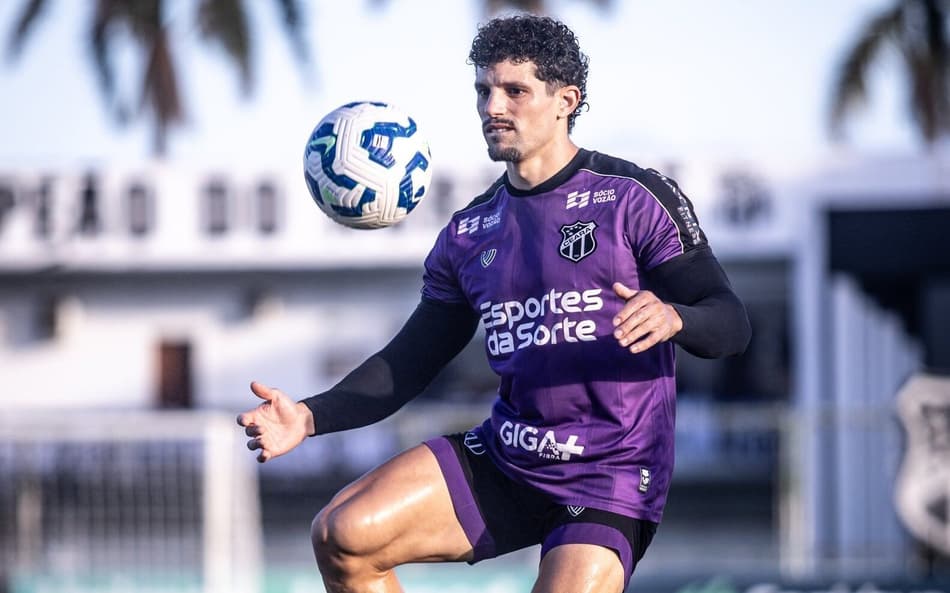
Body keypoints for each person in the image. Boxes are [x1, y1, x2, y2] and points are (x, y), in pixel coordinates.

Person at [237, 14, 751, 593]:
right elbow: (410, 361)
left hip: (609, 470)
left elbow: (731, 323)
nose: (492, 106)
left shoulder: (632, 198)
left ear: (565, 100)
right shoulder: (469, 232)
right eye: (484, 90)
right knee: (342, 534)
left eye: (514, 90)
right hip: (509, 457)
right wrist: (309, 416)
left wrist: (676, 316)